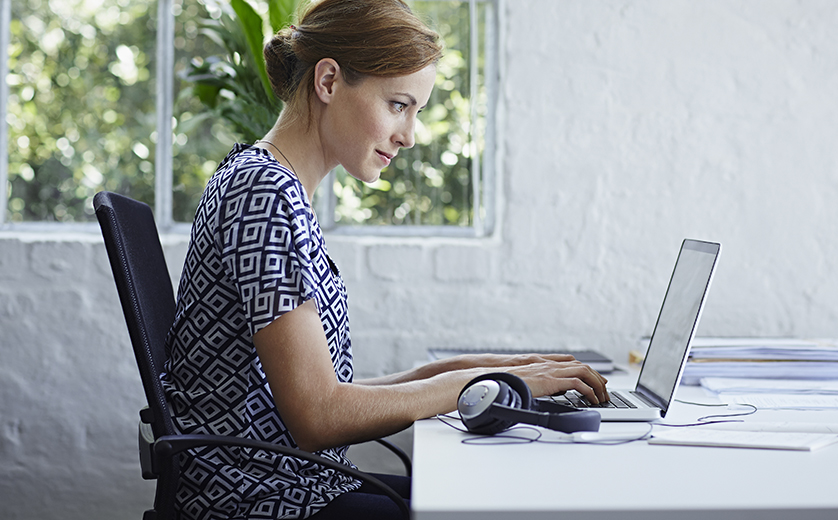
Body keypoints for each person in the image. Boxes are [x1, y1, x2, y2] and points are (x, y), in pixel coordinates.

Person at [163, 1, 609, 519]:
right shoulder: (264, 193)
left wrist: (491, 370)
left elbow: (321, 395)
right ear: (328, 81)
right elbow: (319, 415)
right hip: (265, 503)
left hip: (291, 485)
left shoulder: (265, 181)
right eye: (399, 104)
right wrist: (473, 385)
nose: (409, 135)